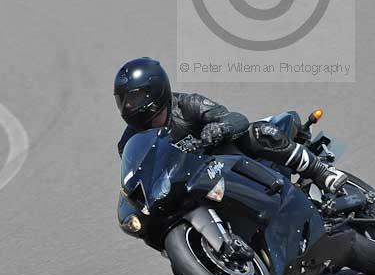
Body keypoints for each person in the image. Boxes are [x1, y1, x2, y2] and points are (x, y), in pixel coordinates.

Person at [114, 57, 347, 193]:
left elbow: (236, 119)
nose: (128, 106)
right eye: (123, 100)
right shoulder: (129, 141)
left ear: (155, 90)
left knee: (257, 132)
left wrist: (219, 129)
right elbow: (138, 178)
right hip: (195, 184)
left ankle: (321, 172)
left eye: (133, 98)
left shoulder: (187, 105)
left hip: (232, 162)